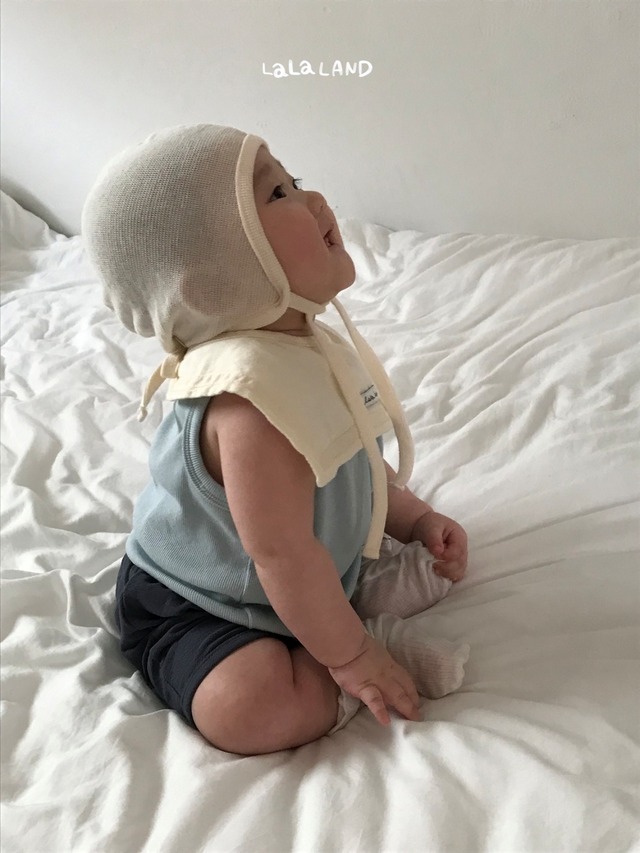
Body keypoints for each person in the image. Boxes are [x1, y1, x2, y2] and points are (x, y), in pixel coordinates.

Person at [82, 124, 469, 756]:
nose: (314, 200)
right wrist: (355, 657)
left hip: (289, 578)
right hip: (197, 601)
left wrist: (415, 518)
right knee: (250, 708)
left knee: (316, 584)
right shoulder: (249, 403)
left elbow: (353, 461)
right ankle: (362, 647)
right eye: (278, 194)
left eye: (295, 180)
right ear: (213, 277)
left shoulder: (305, 343)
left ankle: (337, 609)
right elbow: (282, 555)